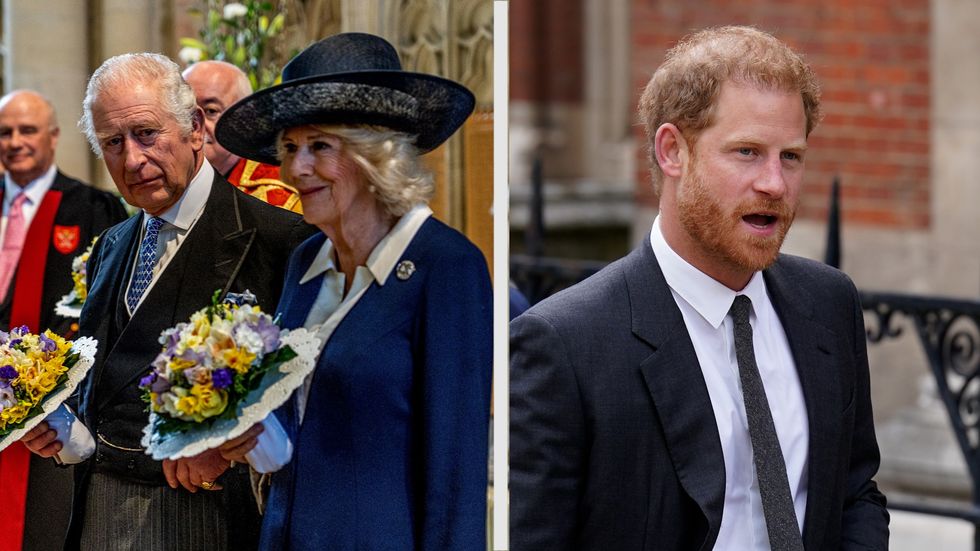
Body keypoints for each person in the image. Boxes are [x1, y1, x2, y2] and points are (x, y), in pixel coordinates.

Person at [510, 26, 889, 550]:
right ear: (673, 152)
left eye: (792, 157)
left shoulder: (828, 303)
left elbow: (853, 493)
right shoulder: (564, 344)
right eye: (747, 152)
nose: (775, 184)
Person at [20, 52, 313, 550]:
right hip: (99, 507)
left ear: (195, 128)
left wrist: (231, 443)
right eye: (113, 143)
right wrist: (59, 427)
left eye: (146, 134)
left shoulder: (277, 238)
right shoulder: (111, 245)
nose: (132, 159)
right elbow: (100, 381)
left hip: (209, 513)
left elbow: (310, 392)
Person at [214, 32, 492, 550]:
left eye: (320, 146)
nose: (296, 169)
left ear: (376, 155)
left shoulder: (446, 266)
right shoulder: (305, 262)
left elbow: (456, 471)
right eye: (290, 148)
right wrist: (249, 432)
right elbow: (297, 417)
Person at [0, 90, 126, 551]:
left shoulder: (93, 209)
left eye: (27, 130)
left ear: (53, 138)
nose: (15, 141)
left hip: (54, 409)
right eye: (5, 132)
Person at [182, 60, 302, 213]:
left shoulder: (276, 197)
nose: (195, 125)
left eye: (211, 111)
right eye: (186, 111)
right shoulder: (167, 183)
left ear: (247, 118)